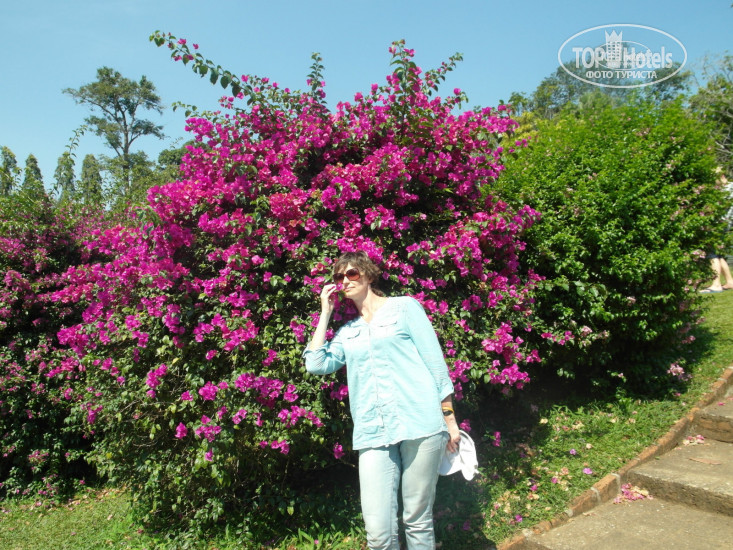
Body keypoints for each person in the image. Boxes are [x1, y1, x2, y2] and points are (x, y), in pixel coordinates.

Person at [304, 251, 461, 550]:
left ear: (368, 275)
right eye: (339, 276)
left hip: (421, 424)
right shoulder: (348, 332)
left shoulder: (404, 308)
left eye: (352, 273)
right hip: (373, 431)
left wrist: (449, 420)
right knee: (378, 534)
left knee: (417, 520)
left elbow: (436, 366)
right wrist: (325, 313)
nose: (345, 281)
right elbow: (316, 364)